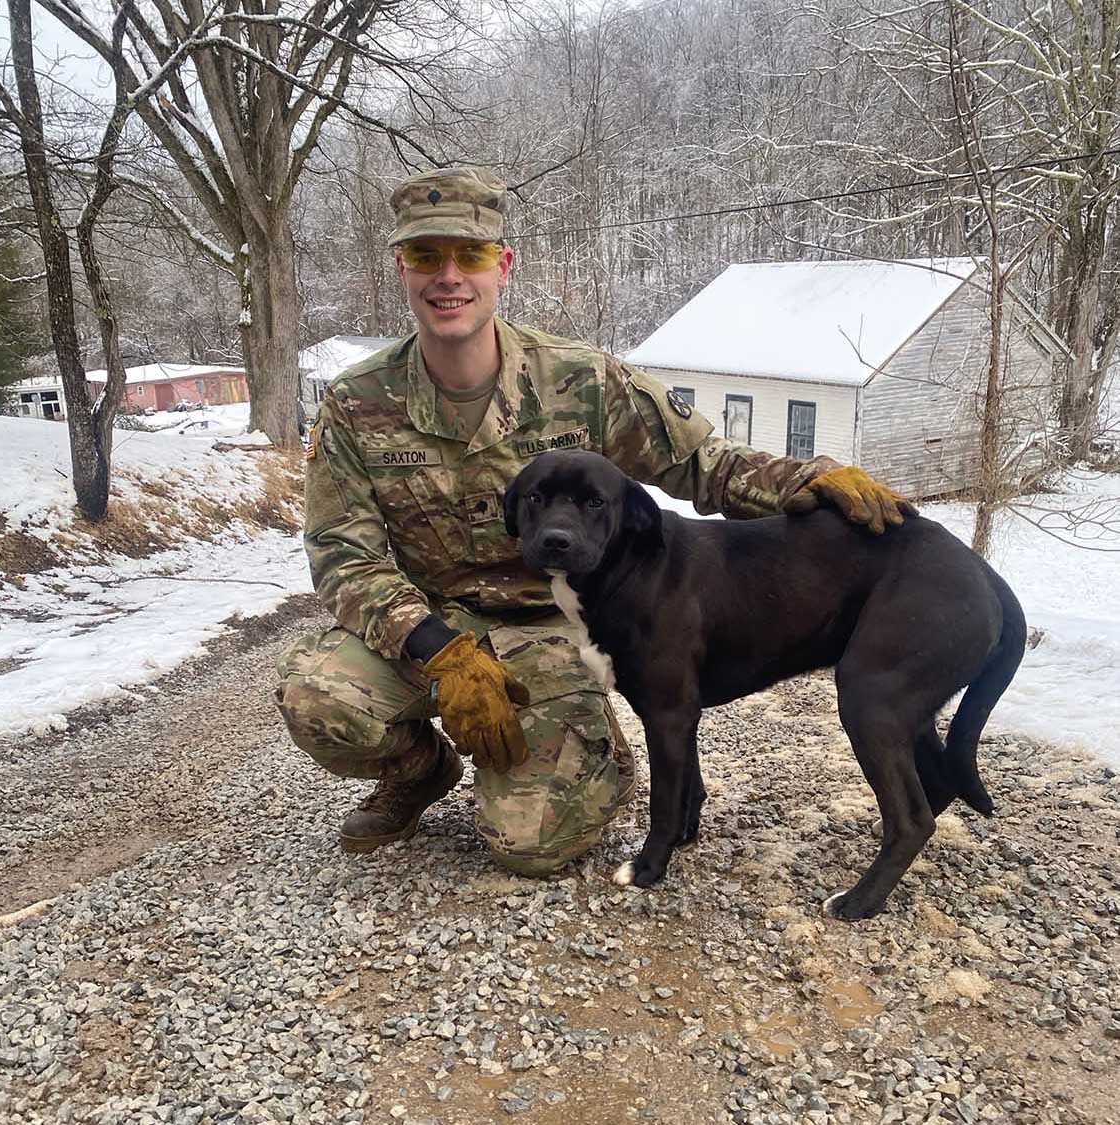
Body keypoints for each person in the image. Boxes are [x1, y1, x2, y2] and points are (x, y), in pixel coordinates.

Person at [275, 166, 916, 876]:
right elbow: (342, 554)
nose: (448, 277)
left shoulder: (580, 379)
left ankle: (591, 754)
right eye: (426, 256)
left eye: (471, 255)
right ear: (401, 267)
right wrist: (436, 646)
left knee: (531, 845)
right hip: (429, 630)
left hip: (556, 632)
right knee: (316, 697)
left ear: (502, 266)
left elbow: (703, 461)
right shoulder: (356, 402)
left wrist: (812, 478)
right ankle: (419, 770)